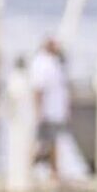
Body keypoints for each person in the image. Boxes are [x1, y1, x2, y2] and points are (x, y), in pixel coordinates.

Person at [29, 38, 71, 178]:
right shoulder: (42, 64)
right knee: (43, 143)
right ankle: (30, 167)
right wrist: (38, 111)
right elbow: (38, 90)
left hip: (54, 112)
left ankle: (53, 172)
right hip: (47, 112)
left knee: (51, 142)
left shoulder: (53, 62)